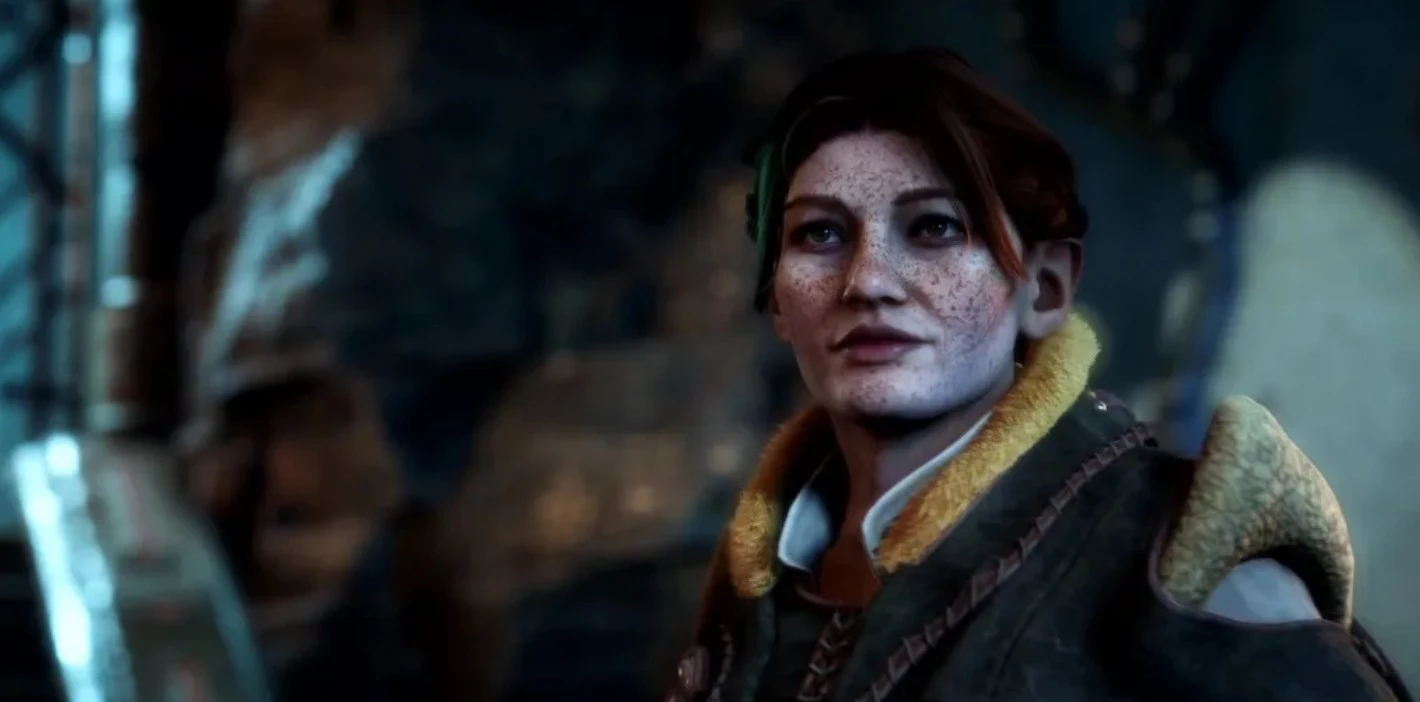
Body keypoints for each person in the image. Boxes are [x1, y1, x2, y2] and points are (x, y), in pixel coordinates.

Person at [665, 49, 1411, 702]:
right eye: (820, 234)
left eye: (935, 227)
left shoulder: (1184, 574)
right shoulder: (754, 584)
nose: (867, 281)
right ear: (777, 301)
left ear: (1045, 288)